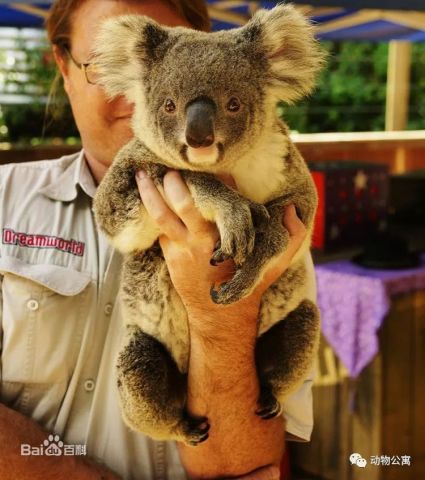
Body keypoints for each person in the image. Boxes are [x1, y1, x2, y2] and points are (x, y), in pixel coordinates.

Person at [0, 0, 317, 478]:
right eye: (104, 67)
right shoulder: (6, 200)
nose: (135, 98)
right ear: (64, 67)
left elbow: (251, 463)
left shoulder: (281, 229)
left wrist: (219, 314)